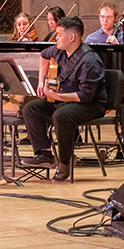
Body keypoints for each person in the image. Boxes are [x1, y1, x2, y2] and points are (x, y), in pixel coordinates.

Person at [22, 15, 107, 180]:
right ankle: (45, 154)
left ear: (72, 37)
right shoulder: (59, 49)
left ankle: (65, 162)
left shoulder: (89, 61)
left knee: (61, 115)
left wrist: (57, 95)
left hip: (91, 104)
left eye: (59, 34)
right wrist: (41, 82)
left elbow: (86, 96)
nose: (56, 38)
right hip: (65, 99)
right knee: (31, 109)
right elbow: (43, 55)